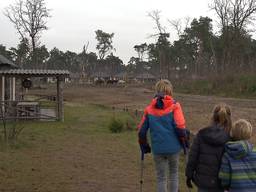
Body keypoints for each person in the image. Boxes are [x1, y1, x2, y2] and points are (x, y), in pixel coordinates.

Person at [138, 79, 188, 192]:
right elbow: (180, 127)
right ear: (170, 92)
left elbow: (141, 132)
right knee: (174, 174)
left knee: (161, 178)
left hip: (158, 149)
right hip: (174, 148)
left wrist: (144, 144)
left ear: (157, 91)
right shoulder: (175, 106)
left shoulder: (149, 109)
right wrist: (184, 139)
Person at [186, 104, 232, 192]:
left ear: (213, 117)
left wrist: (189, 174)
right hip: (221, 183)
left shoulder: (201, 134)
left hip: (203, 181)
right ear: (229, 118)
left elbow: (192, 157)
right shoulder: (230, 139)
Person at [219, 119, 256, 192]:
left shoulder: (227, 155)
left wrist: (225, 187)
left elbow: (224, 178)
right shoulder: (255, 153)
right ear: (249, 133)